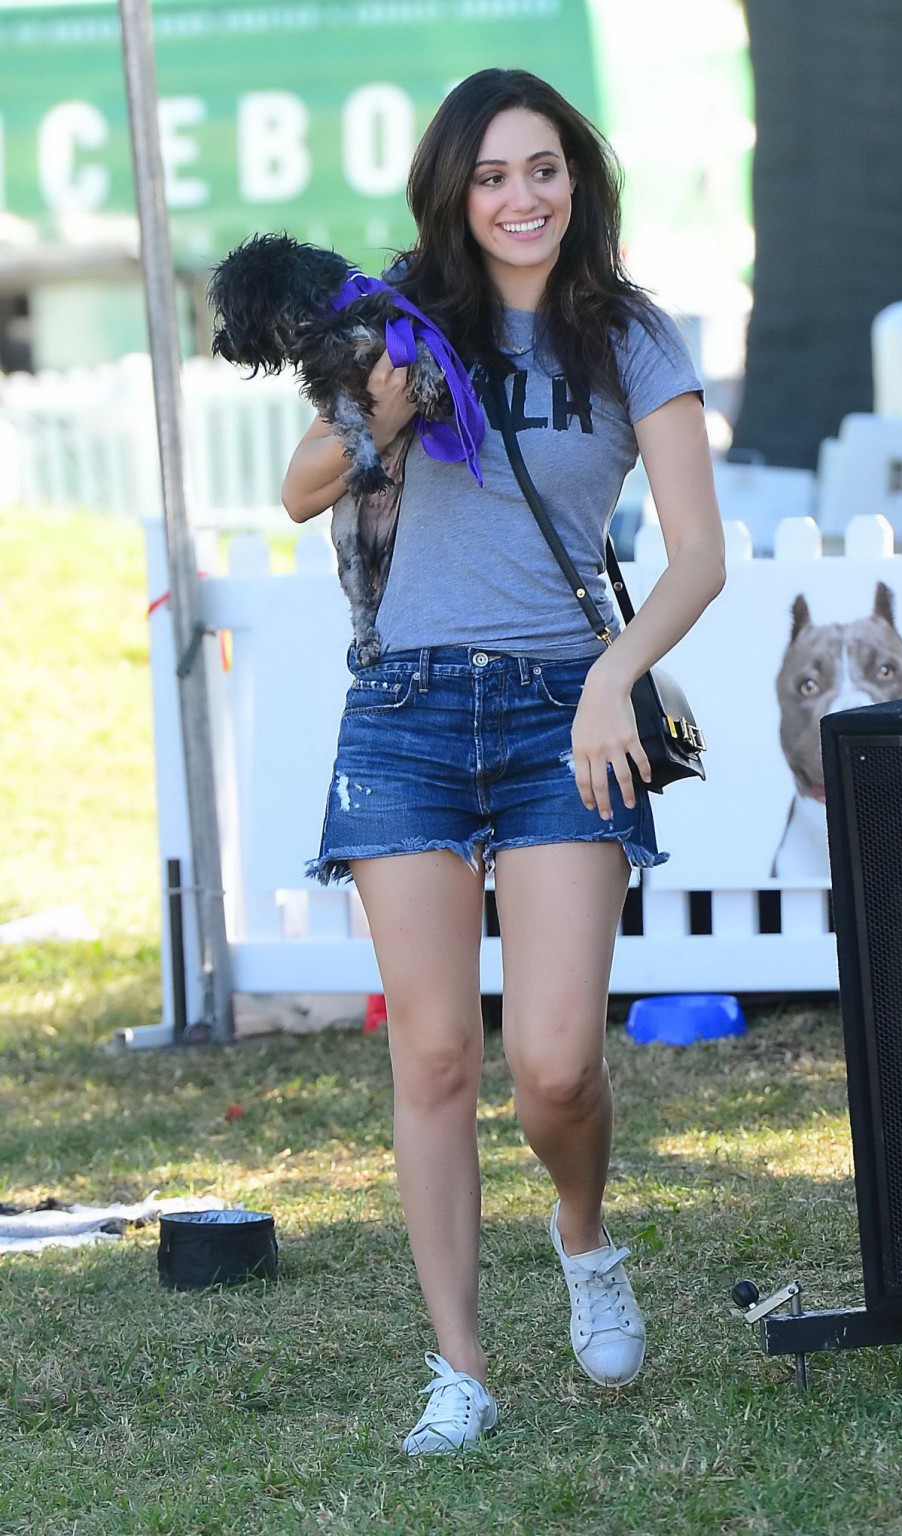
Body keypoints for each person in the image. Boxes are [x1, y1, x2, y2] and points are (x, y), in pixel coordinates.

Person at [281, 67, 725, 1455]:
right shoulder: (406, 326)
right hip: (406, 712)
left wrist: (611, 678)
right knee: (429, 1057)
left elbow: (699, 556)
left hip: (562, 715)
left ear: (575, 178)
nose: (519, 197)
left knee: (551, 1065)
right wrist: (388, 404)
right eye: (490, 177)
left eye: (541, 169)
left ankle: (583, 1235)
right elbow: (298, 489)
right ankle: (462, 1368)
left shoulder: (629, 337)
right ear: (453, 196)